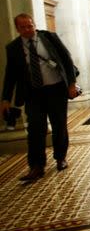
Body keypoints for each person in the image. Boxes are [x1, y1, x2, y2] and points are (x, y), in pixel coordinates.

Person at [1, 13, 79, 181]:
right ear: (17, 29)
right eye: (23, 27)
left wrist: (71, 83)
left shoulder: (49, 38)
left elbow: (66, 59)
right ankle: (36, 166)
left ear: (34, 24)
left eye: (30, 25)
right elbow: (10, 75)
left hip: (56, 89)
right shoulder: (13, 48)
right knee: (36, 129)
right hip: (33, 94)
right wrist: (6, 99)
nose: (28, 29)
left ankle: (60, 158)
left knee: (59, 124)